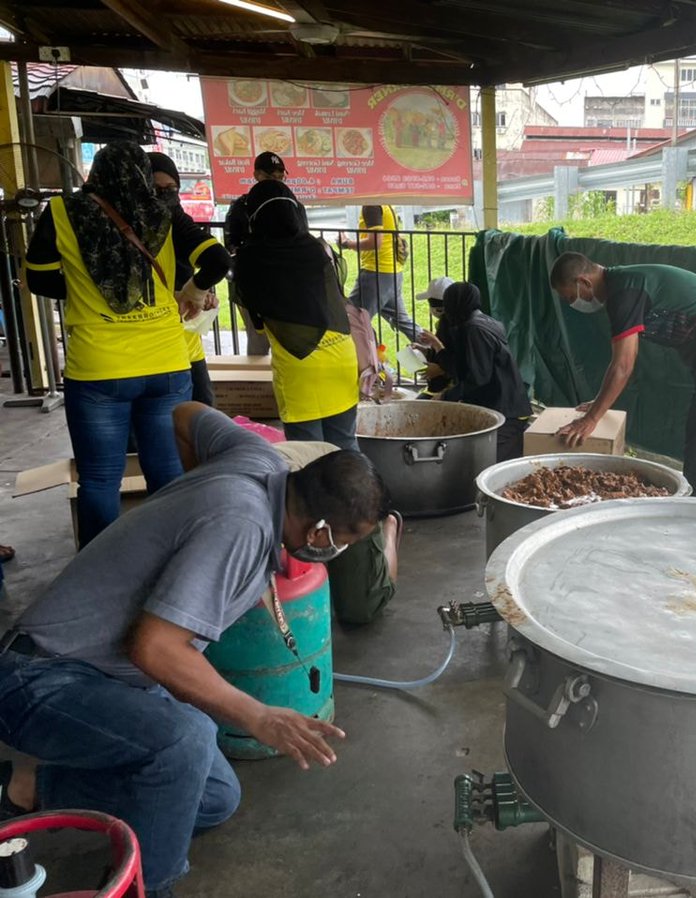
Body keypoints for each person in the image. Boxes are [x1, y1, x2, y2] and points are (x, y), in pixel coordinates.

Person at [0, 401, 388, 898]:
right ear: (318, 533)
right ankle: (144, 889)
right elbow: (156, 649)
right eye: (346, 540)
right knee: (181, 743)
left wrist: (185, 516)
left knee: (213, 798)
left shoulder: (262, 460)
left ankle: (23, 789)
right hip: (39, 677)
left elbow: (186, 414)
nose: (341, 551)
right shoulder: (240, 526)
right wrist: (260, 717)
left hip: (109, 678)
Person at [24, 141, 230, 547]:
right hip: (167, 366)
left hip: (99, 369)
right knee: (168, 473)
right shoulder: (165, 212)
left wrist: (85, 290)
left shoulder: (64, 212)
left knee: (100, 480)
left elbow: (39, 277)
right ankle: (169, 563)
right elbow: (218, 261)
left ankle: (100, 575)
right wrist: (190, 289)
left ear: (95, 174)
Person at [549, 253, 696, 498]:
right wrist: (598, 406)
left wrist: (591, 419)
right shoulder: (621, 288)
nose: (573, 302)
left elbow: (623, 366)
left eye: (570, 296)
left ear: (584, 282)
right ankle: (691, 498)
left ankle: (695, 505)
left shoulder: (625, 292)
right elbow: (622, 361)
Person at [233, 180, 360, 449]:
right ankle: (366, 492)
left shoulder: (250, 259)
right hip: (342, 359)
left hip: (300, 370)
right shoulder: (315, 248)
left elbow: (258, 327)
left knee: (310, 458)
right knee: (346, 448)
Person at [274, 440, 403, 625]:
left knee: (361, 608)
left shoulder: (352, 508)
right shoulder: (256, 517)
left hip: (350, 491)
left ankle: (388, 529)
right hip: (317, 484)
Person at [426, 281, 532, 463]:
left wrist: (446, 396)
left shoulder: (474, 329)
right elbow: (466, 367)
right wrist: (437, 349)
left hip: (504, 412)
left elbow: (478, 378)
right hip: (506, 407)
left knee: (488, 468)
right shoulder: (481, 322)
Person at [148, 151, 215, 406]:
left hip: (187, 341)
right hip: (150, 347)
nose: (165, 194)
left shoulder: (180, 224)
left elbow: (213, 263)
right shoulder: (128, 233)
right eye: (156, 188)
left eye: (171, 188)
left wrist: (200, 292)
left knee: (202, 414)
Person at [224, 152, 306, 355]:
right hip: (254, 285)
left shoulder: (294, 205)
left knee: (290, 344)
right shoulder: (242, 206)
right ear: (256, 175)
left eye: (280, 177)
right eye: (270, 177)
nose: (276, 183)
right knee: (258, 342)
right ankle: (256, 386)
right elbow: (233, 246)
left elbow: (303, 242)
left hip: (288, 286)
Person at [339, 205, 427, 344]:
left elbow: (375, 242)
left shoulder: (371, 205)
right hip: (392, 272)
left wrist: (347, 243)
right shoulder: (384, 204)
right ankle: (437, 349)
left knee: (351, 319)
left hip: (376, 273)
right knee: (403, 321)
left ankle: (371, 360)